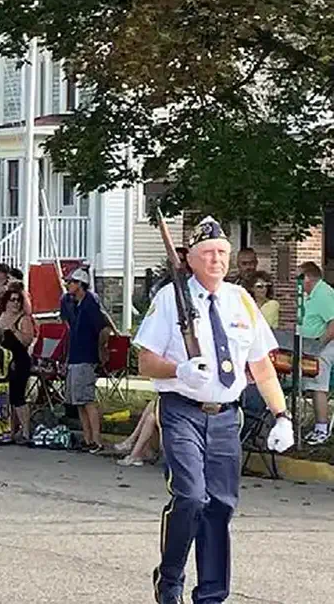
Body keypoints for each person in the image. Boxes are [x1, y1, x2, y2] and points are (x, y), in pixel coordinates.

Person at [134, 216, 293, 604]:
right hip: (181, 410)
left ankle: (211, 596)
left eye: (222, 252)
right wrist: (179, 369)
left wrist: (282, 416)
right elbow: (145, 363)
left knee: (220, 506)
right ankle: (170, 576)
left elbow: (260, 366)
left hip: (225, 416)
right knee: (190, 497)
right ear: (189, 259)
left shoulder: (240, 300)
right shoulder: (170, 299)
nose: (217, 260)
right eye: (207, 253)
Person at [60, 267, 106, 453]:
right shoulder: (75, 305)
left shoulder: (90, 303)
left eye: (71, 282)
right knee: (78, 400)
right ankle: (87, 439)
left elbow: (103, 329)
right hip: (75, 356)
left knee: (87, 399)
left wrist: (102, 350)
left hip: (86, 356)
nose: (68, 285)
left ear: (80, 284)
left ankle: (96, 440)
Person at [0, 282, 35, 442]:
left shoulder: (24, 319)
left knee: (18, 396)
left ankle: (26, 430)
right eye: (12, 300)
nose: (15, 303)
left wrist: (14, 330)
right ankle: (7, 429)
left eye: (18, 300)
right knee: (3, 396)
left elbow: (27, 341)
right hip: (1, 361)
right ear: (6, 302)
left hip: (19, 360)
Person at [298, 261, 334, 445]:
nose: (298, 283)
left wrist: (318, 345)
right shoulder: (311, 295)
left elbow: (333, 322)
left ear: (308, 278)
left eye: (299, 278)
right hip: (310, 344)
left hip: (326, 345)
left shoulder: (324, 293)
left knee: (318, 377)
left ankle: (322, 428)